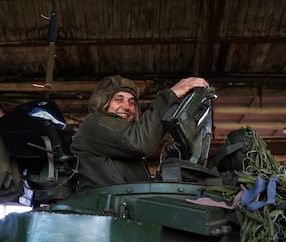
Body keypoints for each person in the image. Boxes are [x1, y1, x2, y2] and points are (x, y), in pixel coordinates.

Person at [70, 75, 208, 190]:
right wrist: (169, 97)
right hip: (102, 210)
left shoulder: (124, 148)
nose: (127, 107)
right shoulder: (94, 123)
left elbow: (140, 188)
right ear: (103, 103)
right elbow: (137, 143)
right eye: (118, 100)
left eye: (132, 103)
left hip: (123, 210)